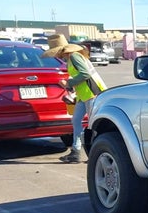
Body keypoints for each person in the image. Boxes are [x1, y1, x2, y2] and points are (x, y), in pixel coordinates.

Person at [42, 34, 107, 163]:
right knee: (76, 121)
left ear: (61, 50)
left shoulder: (74, 56)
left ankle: (97, 153)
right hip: (83, 95)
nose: (56, 56)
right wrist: (71, 87)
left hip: (91, 93)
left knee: (93, 125)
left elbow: (85, 74)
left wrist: (69, 83)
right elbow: (81, 76)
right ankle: (76, 151)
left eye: (55, 52)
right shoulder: (71, 58)